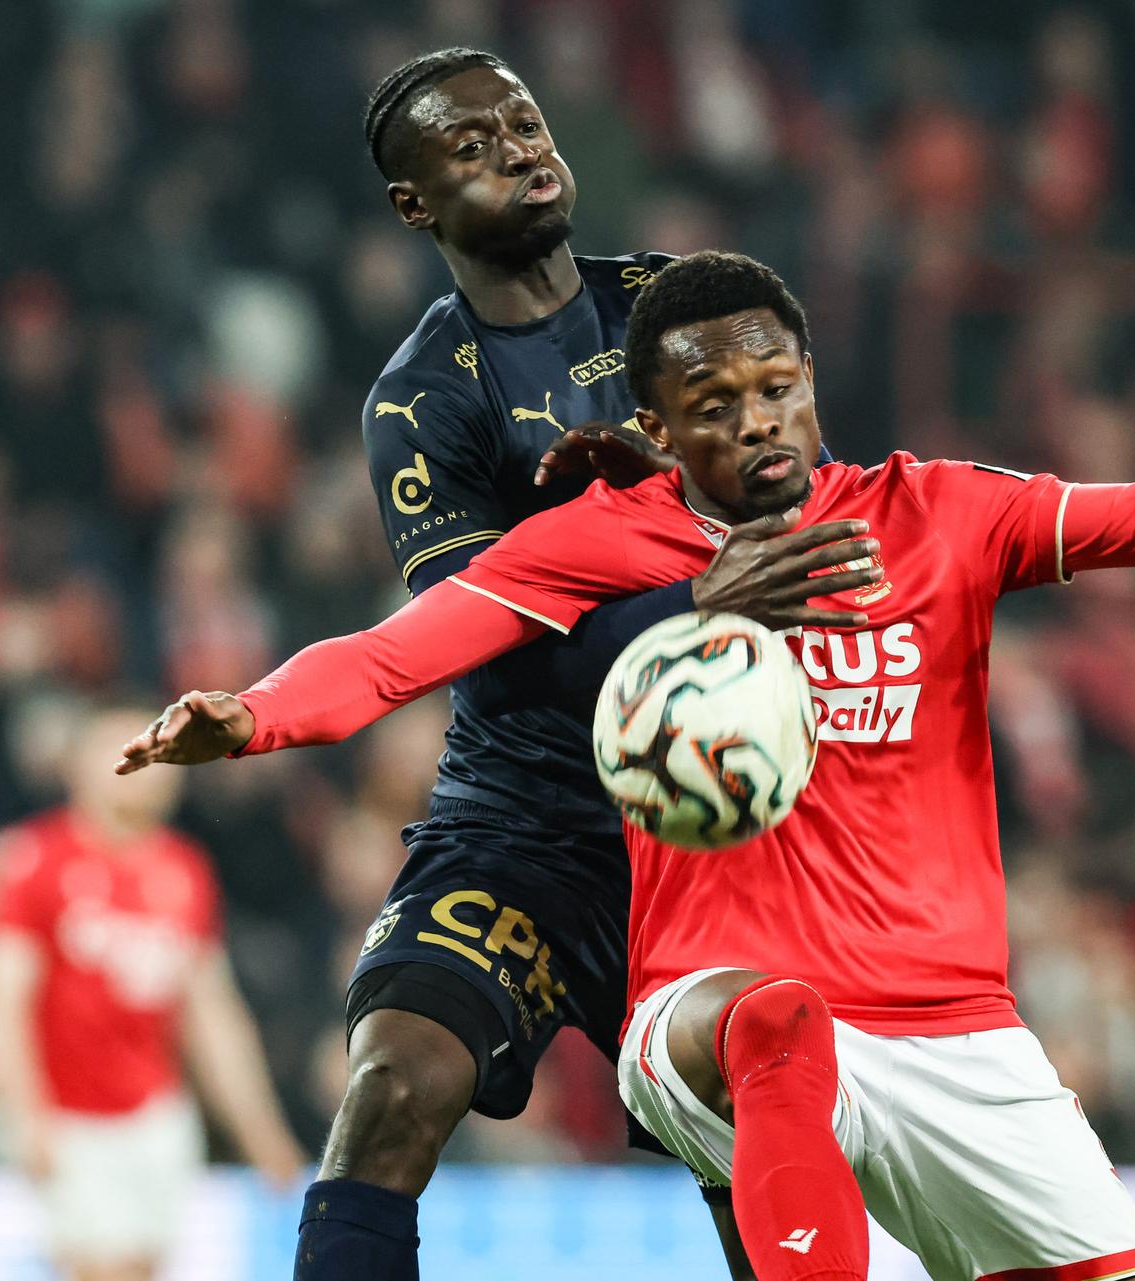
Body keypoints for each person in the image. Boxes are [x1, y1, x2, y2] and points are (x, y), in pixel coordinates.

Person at [116, 251, 1135, 1281]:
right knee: (777, 1019)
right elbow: (398, 653)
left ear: (810, 378)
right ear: (656, 424)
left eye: (776, 388)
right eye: (714, 407)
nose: (758, 422)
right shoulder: (606, 544)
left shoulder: (935, 514)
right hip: (706, 1008)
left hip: (956, 1031)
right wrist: (254, 714)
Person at [308, 47, 855, 1281]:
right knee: (394, 1083)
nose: (518, 150)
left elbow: (813, 498)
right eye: (473, 146)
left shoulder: (674, 304)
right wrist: (691, 595)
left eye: (525, 122)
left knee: (755, 1167)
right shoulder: (421, 402)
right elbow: (481, 640)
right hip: (525, 821)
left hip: (711, 830)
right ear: (415, 205)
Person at [0, 705, 304, 1281]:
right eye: (117, 749)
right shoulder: (34, 859)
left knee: (145, 1268)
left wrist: (263, 1135)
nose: (139, 766)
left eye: (153, 751)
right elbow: (2, 999)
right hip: (69, 1117)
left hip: (156, 1115)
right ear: (77, 768)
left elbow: (212, 1014)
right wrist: (25, 1114)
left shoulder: (185, 871)